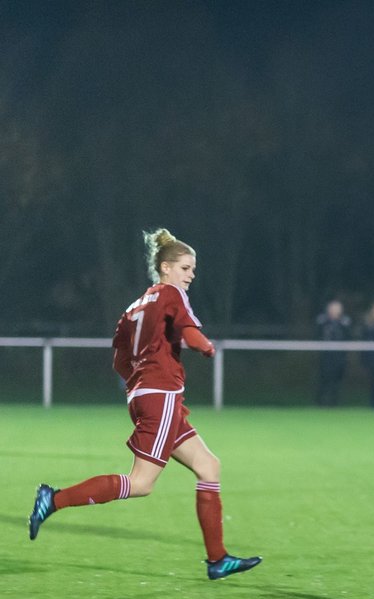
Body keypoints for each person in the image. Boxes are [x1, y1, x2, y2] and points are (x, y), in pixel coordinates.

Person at [27, 228, 262, 580]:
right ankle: (53, 499)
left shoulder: (134, 307)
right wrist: (205, 347)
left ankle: (218, 559)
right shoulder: (171, 294)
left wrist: (138, 388)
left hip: (144, 395)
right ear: (165, 268)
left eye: (192, 270)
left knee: (209, 467)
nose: (190, 276)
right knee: (141, 483)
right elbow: (188, 331)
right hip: (161, 395)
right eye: (186, 268)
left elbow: (119, 361)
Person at [315, 299, 350, 406]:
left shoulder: (345, 321)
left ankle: (334, 403)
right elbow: (316, 334)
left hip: (340, 356)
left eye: (336, 309)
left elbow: (349, 336)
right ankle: (320, 403)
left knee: (337, 381)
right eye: (332, 309)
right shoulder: (322, 320)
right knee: (324, 379)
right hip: (326, 355)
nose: (334, 311)